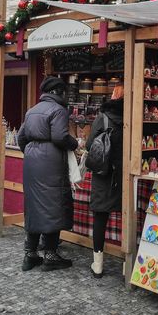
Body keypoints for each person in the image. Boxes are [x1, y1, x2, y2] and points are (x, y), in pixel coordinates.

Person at [17, 76, 78, 272]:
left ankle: (30, 254)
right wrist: (75, 144)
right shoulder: (59, 110)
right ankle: (50, 255)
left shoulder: (32, 110)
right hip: (51, 162)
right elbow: (60, 137)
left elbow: (21, 137)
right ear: (58, 92)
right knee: (54, 205)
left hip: (32, 162)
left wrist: (31, 152)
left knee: (34, 205)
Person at [86, 84, 124, 278]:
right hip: (124, 175)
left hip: (103, 175)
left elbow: (89, 144)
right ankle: (128, 264)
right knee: (128, 218)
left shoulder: (103, 118)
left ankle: (98, 265)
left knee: (100, 218)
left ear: (113, 96)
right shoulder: (131, 118)